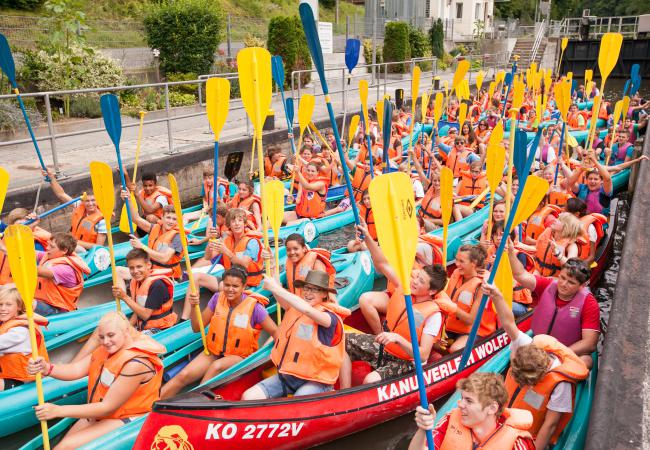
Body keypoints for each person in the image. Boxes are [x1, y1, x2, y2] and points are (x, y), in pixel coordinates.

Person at [28, 311, 166, 449]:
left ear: (125, 332)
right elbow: (76, 369)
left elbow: (107, 408)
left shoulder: (135, 363)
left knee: (66, 447)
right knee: (61, 447)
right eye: (101, 337)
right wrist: (47, 368)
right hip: (104, 412)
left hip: (130, 416)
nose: (106, 341)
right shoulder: (107, 350)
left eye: (111, 335)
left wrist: (58, 411)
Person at [339, 223, 454, 387]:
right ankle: (345, 392)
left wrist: (398, 339)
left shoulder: (433, 315)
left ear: (431, 291)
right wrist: (368, 238)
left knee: (369, 381)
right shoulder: (406, 287)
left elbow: (422, 355)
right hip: (386, 347)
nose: (414, 281)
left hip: (406, 360)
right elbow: (382, 264)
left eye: (421, 281)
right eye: (417, 276)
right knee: (341, 341)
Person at [482, 281, 589, 448]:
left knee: (586, 361)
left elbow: (550, 424)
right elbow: (509, 323)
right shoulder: (527, 345)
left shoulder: (560, 385)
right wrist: (496, 295)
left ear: (541, 374)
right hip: (503, 420)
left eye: (525, 382)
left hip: (527, 435)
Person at [161, 267, 277, 399]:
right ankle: (151, 407)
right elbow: (196, 327)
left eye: (235, 286)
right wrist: (194, 307)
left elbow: (275, 331)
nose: (230, 289)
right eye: (227, 285)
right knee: (183, 375)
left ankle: (196, 401)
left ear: (244, 287)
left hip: (238, 356)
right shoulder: (217, 298)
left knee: (216, 366)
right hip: (214, 351)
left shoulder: (255, 307)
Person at [242, 270, 350, 399]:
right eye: (306, 288)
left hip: (317, 381)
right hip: (290, 375)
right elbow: (282, 296)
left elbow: (307, 310)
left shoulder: (329, 318)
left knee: (296, 402)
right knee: (248, 396)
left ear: (324, 294)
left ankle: (327, 394)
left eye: (315, 290)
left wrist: (275, 287)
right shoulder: (294, 308)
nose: (308, 293)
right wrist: (273, 280)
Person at [508, 244, 599, 367]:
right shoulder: (549, 284)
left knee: (586, 361)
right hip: (538, 346)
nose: (563, 284)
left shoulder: (589, 303)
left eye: (571, 282)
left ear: (582, 286)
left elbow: (590, 343)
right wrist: (510, 252)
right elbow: (520, 275)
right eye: (562, 277)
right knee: (514, 349)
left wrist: (559, 354)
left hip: (566, 352)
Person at [409, 372, 535, 450]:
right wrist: (423, 429)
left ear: (492, 408)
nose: (460, 404)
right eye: (462, 398)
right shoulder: (449, 421)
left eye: (469, 401)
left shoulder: (516, 444)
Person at [111, 249, 177, 335]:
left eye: (139, 266)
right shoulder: (138, 282)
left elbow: (145, 315)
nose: (135, 271)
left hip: (161, 329)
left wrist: (124, 297)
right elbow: (138, 311)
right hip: (144, 325)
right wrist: (128, 327)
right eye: (131, 268)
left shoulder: (157, 285)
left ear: (148, 265)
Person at [120, 194, 183, 280]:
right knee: (118, 271)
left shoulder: (177, 237)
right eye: (168, 217)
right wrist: (129, 200)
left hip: (168, 275)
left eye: (174, 219)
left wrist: (142, 246)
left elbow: (165, 258)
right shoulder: (155, 227)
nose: (171, 221)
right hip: (151, 270)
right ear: (162, 217)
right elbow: (135, 219)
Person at [444, 244, 493, 352]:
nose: (457, 264)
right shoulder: (457, 273)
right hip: (452, 325)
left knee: (455, 350)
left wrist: (451, 307)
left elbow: (470, 320)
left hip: (475, 330)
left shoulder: (482, 284)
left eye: (461, 261)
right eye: (456, 259)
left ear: (474, 263)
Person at [43, 168, 107, 251]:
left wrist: (75, 242)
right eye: (87, 201)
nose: (90, 204)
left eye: (93, 200)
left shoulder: (102, 221)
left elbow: (99, 247)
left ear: (98, 201)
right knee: (53, 240)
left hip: (87, 251)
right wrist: (52, 179)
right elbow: (61, 194)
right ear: (82, 201)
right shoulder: (79, 205)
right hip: (73, 244)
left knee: (60, 246)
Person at [0, 286, 49, 390]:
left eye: (8, 304)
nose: (3, 308)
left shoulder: (20, 331)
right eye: (0, 304)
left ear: (18, 307)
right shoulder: (6, 323)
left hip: (23, 382)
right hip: (9, 375)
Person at [34, 233, 91, 316]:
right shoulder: (53, 256)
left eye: (52, 246)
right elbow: (32, 253)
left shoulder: (66, 269)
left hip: (59, 311)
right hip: (46, 302)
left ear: (64, 250)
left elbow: (36, 271)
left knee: (21, 300)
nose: (47, 248)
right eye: (48, 244)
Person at [267, 233, 335, 296]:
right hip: (297, 300)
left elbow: (323, 292)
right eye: (288, 250)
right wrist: (271, 262)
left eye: (296, 249)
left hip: (312, 304)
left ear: (304, 249)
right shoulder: (291, 263)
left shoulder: (316, 263)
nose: (292, 252)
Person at [533, 212, 582, 277]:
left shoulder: (571, 245)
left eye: (559, 220)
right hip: (538, 271)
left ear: (567, 227)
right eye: (557, 218)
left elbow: (571, 266)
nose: (555, 220)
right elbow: (535, 250)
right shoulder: (547, 233)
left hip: (556, 278)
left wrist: (557, 253)